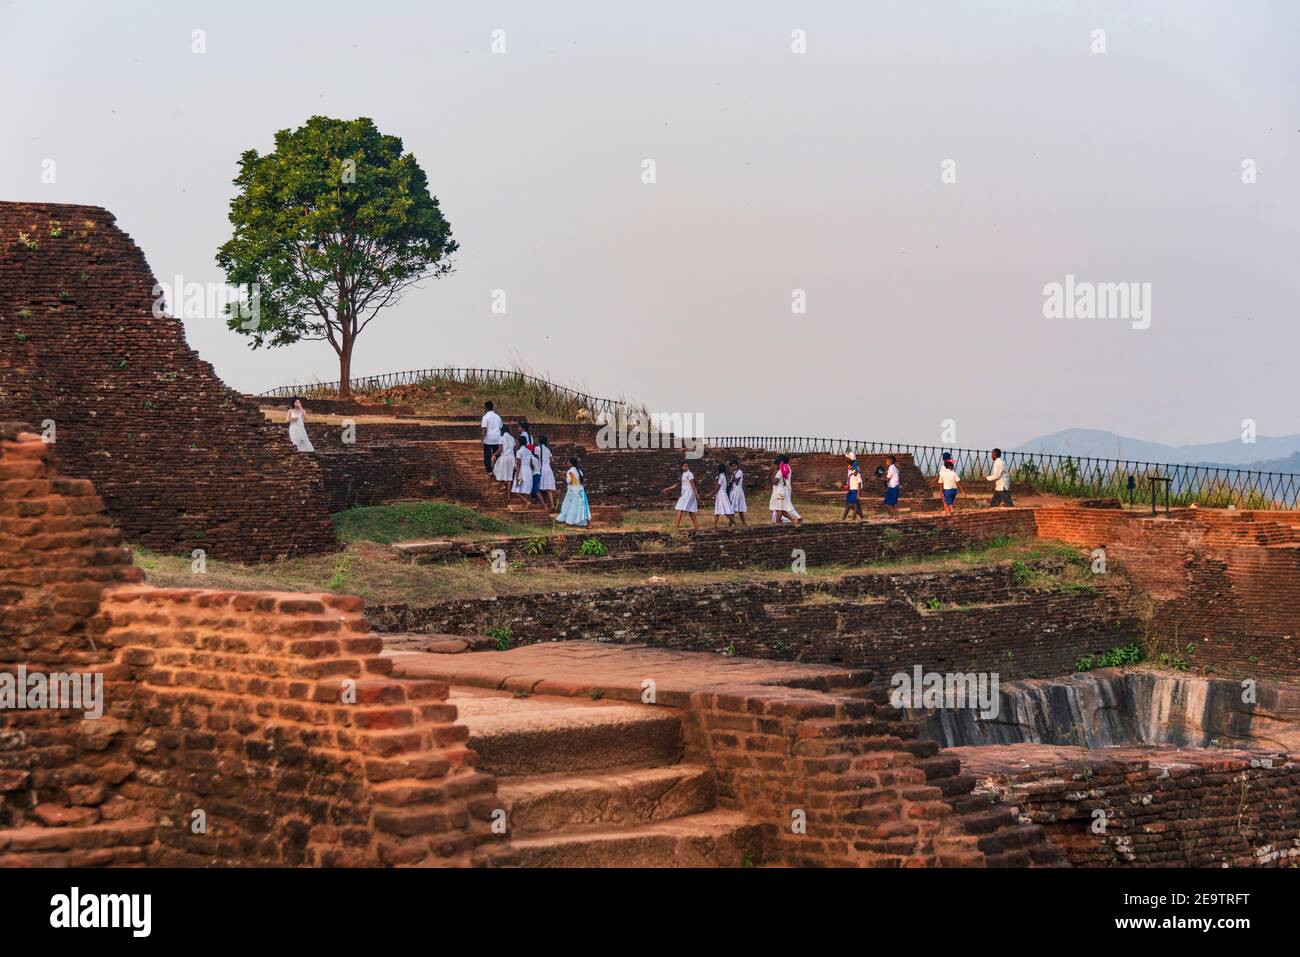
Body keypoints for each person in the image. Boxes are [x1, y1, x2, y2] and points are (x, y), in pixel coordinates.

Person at [556, 457, 591, 527]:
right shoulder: (580, 471)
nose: (568, 463)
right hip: (580, 491)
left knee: (570, 506)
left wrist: (563, 477)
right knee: (583, 507)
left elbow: (569, 481)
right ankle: (587, 523)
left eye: (568, 462)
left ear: (571, 463)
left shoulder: (570, 471)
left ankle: (569, 521)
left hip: (573, 492)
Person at [664, 461, 700, 530]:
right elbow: (677, 485)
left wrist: (696, 493)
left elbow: (693, 484)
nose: (685, 467)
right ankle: (697, 526)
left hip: (689, 493)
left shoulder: (690, 474)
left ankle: (676, 526)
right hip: (685, 493)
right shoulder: (683, 474)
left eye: (686, 466)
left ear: (688, 467)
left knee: (679, 508)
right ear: (681, 467)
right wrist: (668, 489)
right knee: (691, 510)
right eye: (684, 466)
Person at [769, 456, 801, 526]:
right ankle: (783, 520)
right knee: (779, 508)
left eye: (776, 465)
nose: (775, 466)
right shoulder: (785, 469)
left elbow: (775, 482)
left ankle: (781, 521)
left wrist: (772, 474)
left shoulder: (780, 471)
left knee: (779, 508)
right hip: (782, 491)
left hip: (779, 492)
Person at [513, 437, 540, 510]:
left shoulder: (519, 452)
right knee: (525, 490)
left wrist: (517, 475)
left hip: (522, 472)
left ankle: (527, 502)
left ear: (519, 442)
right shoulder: (529, 451)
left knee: (516, 490)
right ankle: (524, 506)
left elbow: (518, 464)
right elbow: (531, 464)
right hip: (528, 472)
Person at [492, 425, 517, 504]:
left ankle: (502, 484)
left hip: (504, 457)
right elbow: (514, 448)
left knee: (495, 469)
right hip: (511, 458)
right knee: (510, 476)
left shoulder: (501, 438)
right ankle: (508, 495)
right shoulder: (512, 438)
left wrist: (494, 454)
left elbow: (500, 449)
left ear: (502, 431)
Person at [709, 463, 736, 529]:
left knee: (726, 510)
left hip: (722, 495)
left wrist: (710, 494)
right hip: (720, 495)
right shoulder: (721, 476)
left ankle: (735, 523)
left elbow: (718, 487)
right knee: (717, 510)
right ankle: (714, 525)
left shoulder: (722, 477)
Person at [480, 401, 503, 474]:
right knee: (497, 454)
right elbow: (501, 428)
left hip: (488, 439)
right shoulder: (498, 417)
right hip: (497, 438)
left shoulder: (485, 417)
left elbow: (484, 430)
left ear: (486, 408)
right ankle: (497, 470)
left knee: (487, 455)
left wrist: (482, 440)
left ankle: (489, 470)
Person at [537, 435, 557, 511]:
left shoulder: (537, 449)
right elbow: (553, 460)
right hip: (548, 469)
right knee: (548, 488)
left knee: (540, 487)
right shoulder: (547, 449)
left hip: (541, 469)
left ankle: (544, 504)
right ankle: (551, 505)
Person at [727, 459, 747, 525]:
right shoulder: (732, 473)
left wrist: (732, 474)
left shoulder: (739, 472)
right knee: (733, 509)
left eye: (735, 466)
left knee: (737, 510)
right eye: (732, 466)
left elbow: (737, 481)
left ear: (737, 466)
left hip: (738, 492)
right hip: (733, 492)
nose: (733, 467)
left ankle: (733, 524)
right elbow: (730, 483)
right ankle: (732, 524)